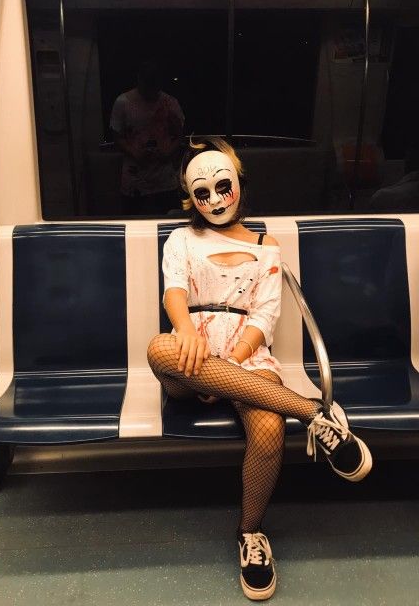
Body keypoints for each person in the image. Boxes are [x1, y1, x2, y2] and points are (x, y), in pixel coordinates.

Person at [147, 137, 373, 601]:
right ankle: (313, 413)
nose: (214, 200)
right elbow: (174, 291)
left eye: (222, 186)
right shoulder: (182, 239)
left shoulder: (267, 245)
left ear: (239, 185)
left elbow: (265, 317)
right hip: (192, 353)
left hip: (248, 356)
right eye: (202, 193)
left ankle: (251, 534)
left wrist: (226, 367)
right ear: (191, 198)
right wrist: (186, 332)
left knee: (269, 431)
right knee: (158, 349)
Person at [110, 60, 185, 216]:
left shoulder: (170, 103)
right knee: (133, 223)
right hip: (134, 178)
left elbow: (179, 135)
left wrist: (168, 152)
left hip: (164, 179)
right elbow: (116, 136)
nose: (151, 89)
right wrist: (134, 152)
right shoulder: (123, 102)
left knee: (169, 221)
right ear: (139, 79)